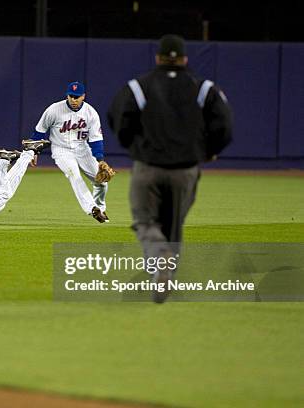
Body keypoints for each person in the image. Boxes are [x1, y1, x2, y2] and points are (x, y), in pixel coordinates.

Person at [107, 34, 233, 303]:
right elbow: (224, 126)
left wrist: (135, 147)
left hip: (148, 166)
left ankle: (158, 260)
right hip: (185, 169)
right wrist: (209, 151)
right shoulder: (203, 88)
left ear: (157, 58)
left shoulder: (139, 87)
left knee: (146, 221)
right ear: (185, 59)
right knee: (173, 225)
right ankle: (166, 273)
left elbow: (118, 117)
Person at [26, 81, 112, 224]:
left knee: (102, 182)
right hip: (62, 150)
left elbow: (96, 139)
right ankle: (92, 208)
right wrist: (33, 151)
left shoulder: (91, 113)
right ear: (67, 95)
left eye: (77, 96)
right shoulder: (54, 109)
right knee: (74, 175)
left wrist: (100, 159)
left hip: (83, 150)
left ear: (83, 96)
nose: (73, 99)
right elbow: (39, 131)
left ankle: (100, 209)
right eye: (71, 96)